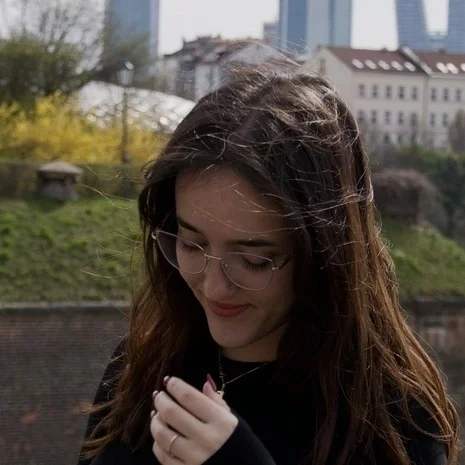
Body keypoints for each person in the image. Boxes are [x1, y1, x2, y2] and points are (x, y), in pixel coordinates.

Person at [77, 61, 459, 465]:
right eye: (191, 245)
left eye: (254, 261)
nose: (214, 287)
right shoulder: (142, 363)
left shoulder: (396, 418)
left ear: (325, 254)